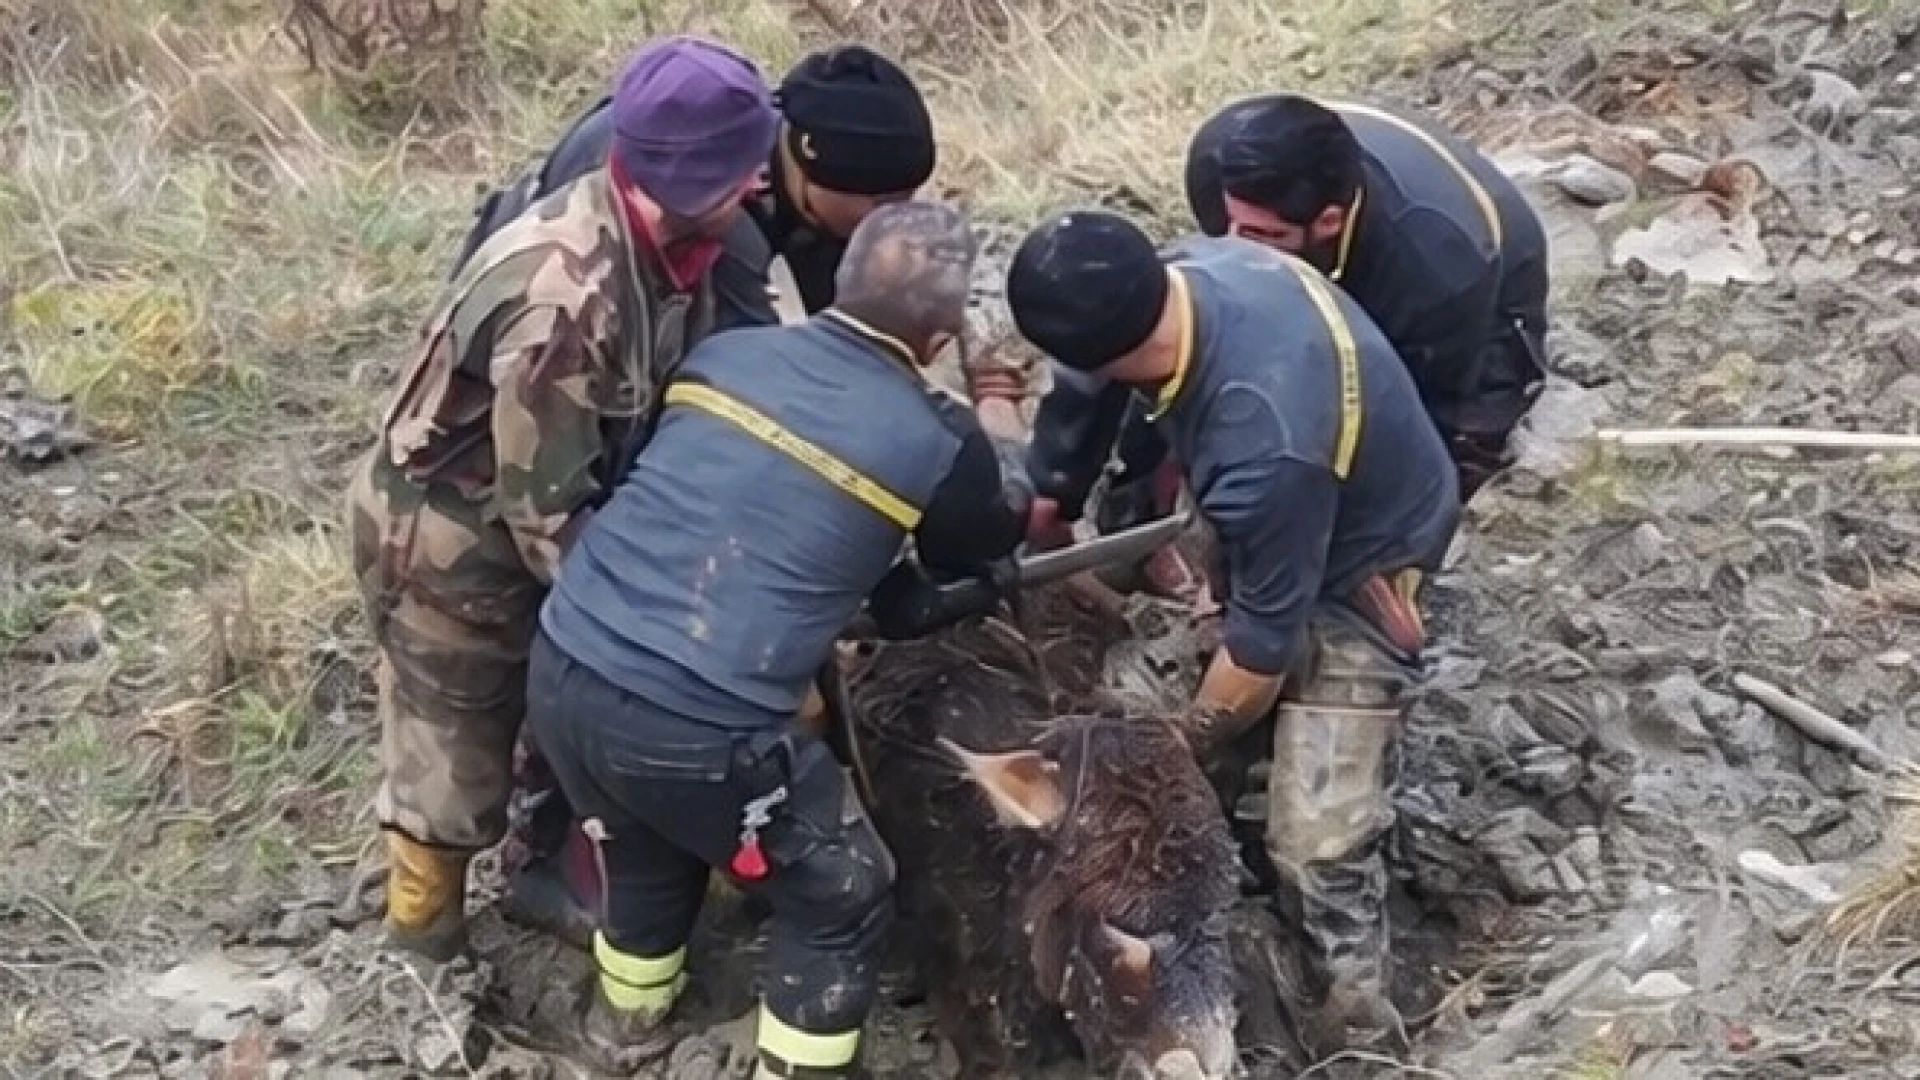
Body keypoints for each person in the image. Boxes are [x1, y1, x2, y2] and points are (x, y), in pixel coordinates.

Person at [527, 200, 1031, 1077]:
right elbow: (979, 543)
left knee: (642, 851)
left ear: (840, 283)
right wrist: (998, 411)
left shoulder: (723, 357)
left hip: (566, 662)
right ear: (942, 335)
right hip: (701, 727)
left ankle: (626, 1023)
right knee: (841, 890)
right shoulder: (936, 436)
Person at [344, 33, 781, 964]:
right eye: (744, 171)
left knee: (564, 700)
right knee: (453, 749)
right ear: (691, 176)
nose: (761, 188)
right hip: (449, 547)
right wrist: (649, 635)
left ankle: (547, 857)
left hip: (550, 503)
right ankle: (424, 944)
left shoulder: (677, 242)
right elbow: (542, 514)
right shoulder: (566, 301)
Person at [1005, 209, 1461, 1054]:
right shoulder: (1177, 271)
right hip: (1275, 488)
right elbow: (1084, 388)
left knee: (1317, 843)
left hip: (1363, 560)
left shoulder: (1264, 438)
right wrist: (1052, 496)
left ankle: (1359, 1031)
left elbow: (1260, 650)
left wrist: (1182, 746)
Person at [450, 43, 940, 334]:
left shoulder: (787, 170)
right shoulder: (694, 182)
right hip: (547, 334)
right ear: (815, 172)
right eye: (882, 202)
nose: (898, 215)